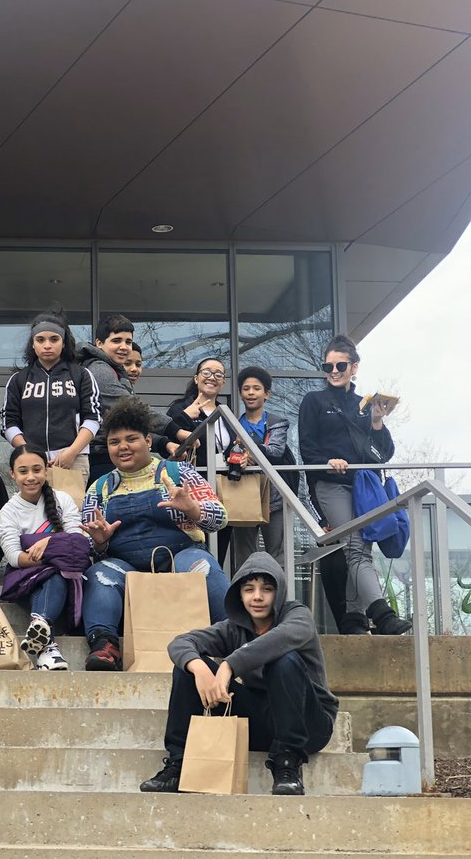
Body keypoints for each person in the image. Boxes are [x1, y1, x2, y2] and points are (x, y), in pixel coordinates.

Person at [140, 553, 338, 796]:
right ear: (239, 594)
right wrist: (199, 667)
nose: (257, 597)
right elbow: (181, 643)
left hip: (309, 725)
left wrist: (229, 665)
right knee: (187, 667)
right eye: (248, 589)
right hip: (261, 722)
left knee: (283, 659)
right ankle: (179, 764)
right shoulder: (233, 629)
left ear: (279, 592)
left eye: (266, 589)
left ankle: (288, 765)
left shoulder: (297, 615)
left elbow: (281, 639)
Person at [80, 398, 230, 672]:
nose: (122, 447)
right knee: (99, 575)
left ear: (148, 441)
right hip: (125, 565)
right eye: (115, 442)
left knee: (202, 568)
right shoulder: (99, 488)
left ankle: (238, 638)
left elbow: (221, 517)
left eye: (131, 439)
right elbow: (88, 545)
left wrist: (193, 509)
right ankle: (104, 645)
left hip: (182, 553)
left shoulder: (179, 472)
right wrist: (99, 543)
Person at [298, 334, 409, 635]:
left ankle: (354, 619)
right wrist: (328, 461)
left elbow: (381, 455)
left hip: (363, 487)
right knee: (356, 547)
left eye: (340, 365)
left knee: (361, 549)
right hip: (331, 485)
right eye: (328, 366)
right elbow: (306, 448)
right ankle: (382, 614)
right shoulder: (314, 401)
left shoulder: (364, 406)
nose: (333, 371)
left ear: (354, 367)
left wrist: (376, 422)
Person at [0, 445, 92, 671]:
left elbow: (78, 543)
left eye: (37, 470)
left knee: (55, 574)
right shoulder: (8, 511)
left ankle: (44, 638)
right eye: (23, 471)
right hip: (25, 579)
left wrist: (46, 544)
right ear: (12, 474)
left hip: (64, 575)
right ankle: (45, 638)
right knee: (53, 573)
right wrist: (57, 549)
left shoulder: (63, 500)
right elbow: (14, 558)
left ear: (47, 470)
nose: (31, 477)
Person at [1, 311, 101, 493]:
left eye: (54, 339)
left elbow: (93, 418)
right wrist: (27, 452)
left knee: (68, 517)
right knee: (33, 519)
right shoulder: (18, 380)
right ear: (32, 344)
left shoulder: (81, 376)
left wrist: (72, 452)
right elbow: (8, 422)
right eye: (40, 340)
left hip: (72, 460)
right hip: (31, 463)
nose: (47, 345)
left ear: (64, 343)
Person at [75, 314, 174, 484]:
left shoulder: (112, 370)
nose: (123, 347)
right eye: (116, 340)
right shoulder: (100, 371)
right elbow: (132, 410)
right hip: (102, 460)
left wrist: (162, 443)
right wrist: (174, 429)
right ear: (99, 343)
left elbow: (127, 425)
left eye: (128, 342)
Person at [167, 357, 236, 564]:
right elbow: (167, 446)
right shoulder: (180, 408)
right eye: (206, 372)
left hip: (224, 488)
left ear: (223, 382)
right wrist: (186, 416)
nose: (212, 378)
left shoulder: (226, 413)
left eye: (218, 374)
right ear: (196, 378)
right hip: (193, 488)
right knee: (195, 551)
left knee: (219, 549)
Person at [230, 366, 291, 567]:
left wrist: (247, 452)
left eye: (256, 388)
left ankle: (280, 598)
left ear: (267, 394)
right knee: (244, 555)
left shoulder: (277, 422)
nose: (250, 393)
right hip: (242, 494)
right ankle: (246, 595)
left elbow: (275, 451)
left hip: (274, 496)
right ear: (240, 393)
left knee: (278, 554)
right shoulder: (232, 424)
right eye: (246, 388)